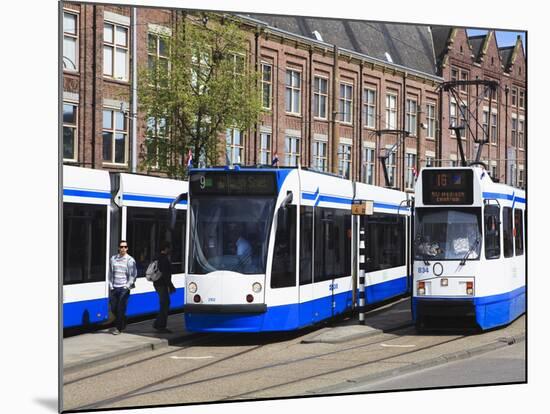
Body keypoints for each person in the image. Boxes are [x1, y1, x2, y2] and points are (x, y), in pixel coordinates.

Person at [109, 240, 137, 335]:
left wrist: (127, 286)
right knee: (113, 308)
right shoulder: (113, 259)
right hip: (114, 287)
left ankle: (118, 328)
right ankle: (123, 319)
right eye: (121, 247)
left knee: (121, 308)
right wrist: (110, 285)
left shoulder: (130, 260)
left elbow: (133, 274)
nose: (123, 249)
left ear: (127, 248)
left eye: (125, 247)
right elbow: (110, 273)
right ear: (118, 248)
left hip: (123, 288)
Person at [153, 242, 176, 333]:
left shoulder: (157, 257)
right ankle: (160, 326)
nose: (170, 250)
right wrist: (171, 286)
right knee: (165, 304)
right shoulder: (164, 259)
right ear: (166, 249)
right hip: (162, 284)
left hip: (157, 284)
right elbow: (165, 274)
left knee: (164, 304)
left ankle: (158, 323)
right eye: (169, 248)